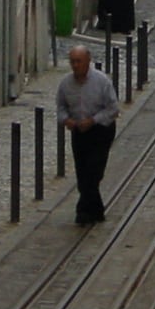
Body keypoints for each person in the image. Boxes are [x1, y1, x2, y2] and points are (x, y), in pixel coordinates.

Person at [56, 45, 120, 225]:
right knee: (83, 172)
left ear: (88, 61)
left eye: (79, 61)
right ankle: (96, 211)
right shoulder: (66, 84)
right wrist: (66, 120)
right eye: (73, 62)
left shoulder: (102, 81)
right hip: (79, 132)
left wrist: (93, 120)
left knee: (94, 171)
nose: (75, 66)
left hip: (101, 130)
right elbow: (60, 107)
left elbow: (113, 108)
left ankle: (82, 212)